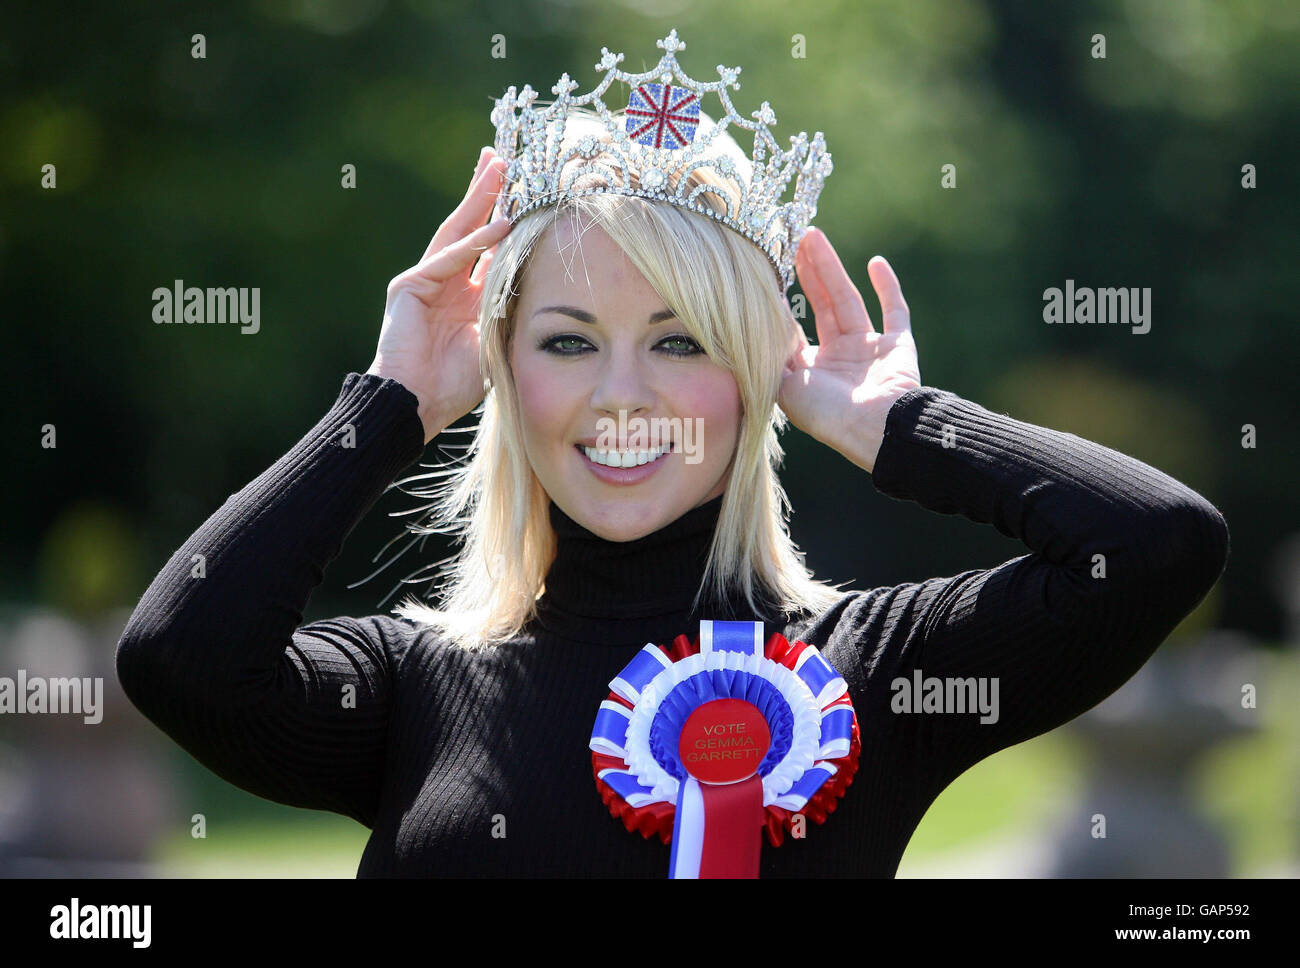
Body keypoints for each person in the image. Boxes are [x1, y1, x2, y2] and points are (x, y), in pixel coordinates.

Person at [116, 86, 1229, 879]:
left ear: (755, 376)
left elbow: (1156, 542)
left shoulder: (879, 670)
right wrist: (390, 401)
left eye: (682, 341)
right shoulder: (414, 682)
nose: (620, 394)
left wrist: (900, 426)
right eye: (564, 342)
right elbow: (178, 657)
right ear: (503, 373)